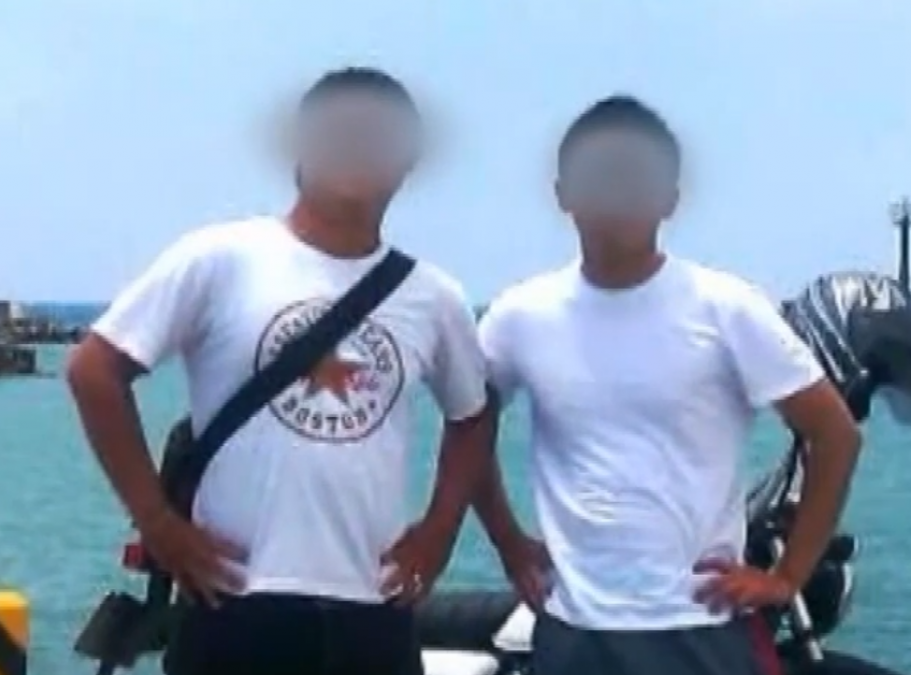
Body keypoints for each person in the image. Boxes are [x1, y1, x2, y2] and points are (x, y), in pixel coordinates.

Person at [66, 67, 493, 675]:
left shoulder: (433, 297)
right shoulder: (220, 259)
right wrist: (158, 523)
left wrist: (440, 531)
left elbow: (473, 413)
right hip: (234, 601)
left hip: (373, 607)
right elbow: (94, 371)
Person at [473, 95, 863, 675]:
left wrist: (786, 577)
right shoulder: (519, 316)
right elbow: (468, 426)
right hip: (573, 628)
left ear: (670, 199)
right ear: (563, 194)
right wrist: (507, 539)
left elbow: (835, 435)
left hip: (698, 627)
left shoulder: (726, 308)